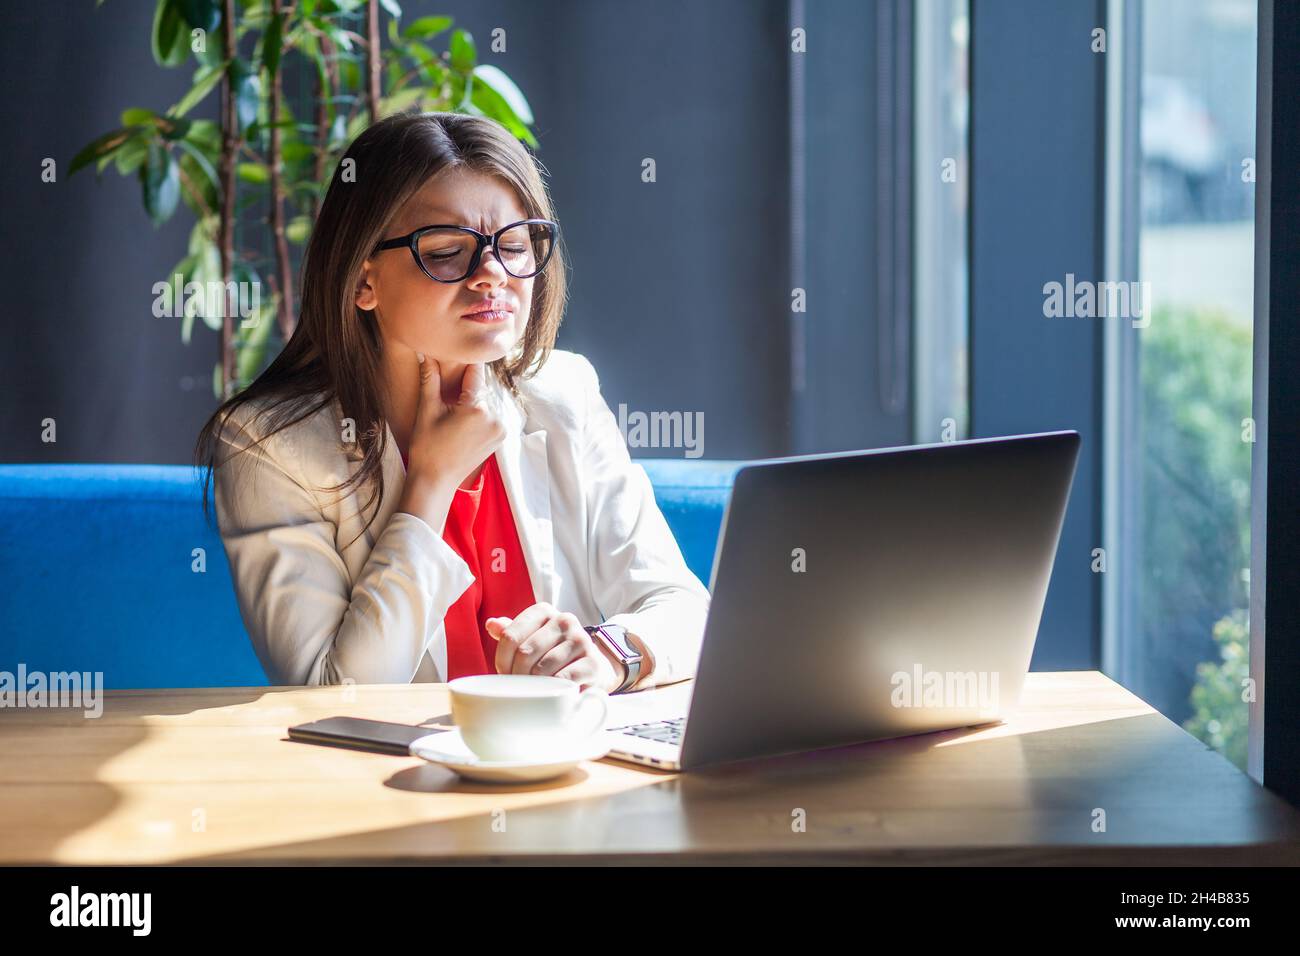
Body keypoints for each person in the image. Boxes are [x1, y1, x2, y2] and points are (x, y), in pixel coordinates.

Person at [194, 111, 709, 694]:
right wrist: (430, 486)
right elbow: (332, 691)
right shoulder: (269, 446)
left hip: (564, 764)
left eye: (514, 245)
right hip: (383, 782)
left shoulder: (564, 395)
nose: (493, 275)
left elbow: (685, 608)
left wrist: (611, 654)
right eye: (445, 252)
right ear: (363, 281)